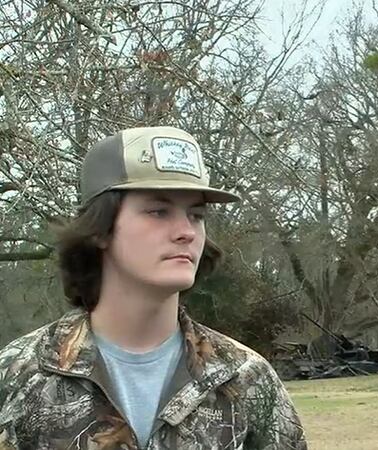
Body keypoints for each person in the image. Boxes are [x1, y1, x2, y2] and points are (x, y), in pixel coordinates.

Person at [0, 127, 307, 449]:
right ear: (100, 230)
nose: (186, 232)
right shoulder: (20, 376)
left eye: (196, 215)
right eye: (158, 211)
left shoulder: (246, 378)